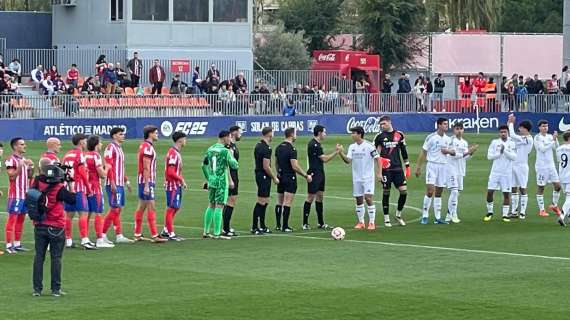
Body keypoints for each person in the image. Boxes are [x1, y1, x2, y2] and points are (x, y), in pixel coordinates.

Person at [32, 160, 77, 297]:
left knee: (39, 257)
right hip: (56, 226)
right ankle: (55, 289)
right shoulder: (59, 188)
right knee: (56, 258)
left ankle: (37, 289)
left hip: (39, 224)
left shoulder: (37, 183)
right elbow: (73, 200)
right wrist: (70, 183)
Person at [339, 126, 384, 230]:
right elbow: (348, 161)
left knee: (368, 198)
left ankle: (372, 222)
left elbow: (378, 159)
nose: (352, 135)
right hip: (356, 178)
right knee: (359, 199)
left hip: (368, 177)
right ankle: (361, 222)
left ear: (359, 134)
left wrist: (379, 173)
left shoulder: (369, 146)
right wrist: (340, 152)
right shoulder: (352, 147)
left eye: (354, 133)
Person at [415, 118, 455, 225]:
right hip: (432, 166)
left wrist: (449, 151)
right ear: (439, 125)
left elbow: (453, 152)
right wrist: (418, 167)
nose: (447, 126)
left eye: (447, 124)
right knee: (430, 191)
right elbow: (423, 152)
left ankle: (437, 217)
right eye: (444, 124)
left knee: (439, 192)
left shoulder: (448, 139)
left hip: (443, 166)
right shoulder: (431, 137)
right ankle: (425, 215)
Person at [374, 116, 411, 227]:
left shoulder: (399, 135)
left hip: (398, 169)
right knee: (386, 192)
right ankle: (386, 218)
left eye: (384, 124)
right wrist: (380, 163)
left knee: (403, 191)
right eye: (380, 125)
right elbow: (373, 152)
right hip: (386, 170)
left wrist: (407, 166)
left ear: (389, 122)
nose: (382, 126)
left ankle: (398, 215)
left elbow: (403, 151)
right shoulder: (379, 137)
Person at [201, 130, 239, 239]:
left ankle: (206, 231)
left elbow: (203, 165)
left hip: (212, 181)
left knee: (211, 204)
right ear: (225, 137)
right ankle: (217, 233)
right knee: (220, 206)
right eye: (229, 137)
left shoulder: (210, 149)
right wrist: (232, 155)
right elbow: (235, 165)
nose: (230, 140)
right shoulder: (225, 151)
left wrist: (209, 178)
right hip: (221, 182)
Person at [274, 128, 312, 232]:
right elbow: (294, 166)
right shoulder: (292, 149)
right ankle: (285, 226)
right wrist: (305, 175)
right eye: (295, 134)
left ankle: (278, 225)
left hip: (280, 176)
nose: (296, 136)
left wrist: (278, 173)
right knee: (287, 202)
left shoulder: (278, 147)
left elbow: (276, 163)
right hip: (290, 177)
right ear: (291, 135)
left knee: (279, 201)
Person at [134, 125, 166, 242]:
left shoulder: (143, 146)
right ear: (150, 134)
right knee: (151, 207)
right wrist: (147, 184)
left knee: (141, 207)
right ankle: (154, 235)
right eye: (156, 133)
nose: (157, 135)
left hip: (143, 180)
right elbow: (146, 167)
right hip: (147, 181)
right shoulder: (148, 148)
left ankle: (137, 233)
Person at [302, 125, 339, 230]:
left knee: (320, 197)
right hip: (314, 173)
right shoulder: (314, 145)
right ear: (319, 133)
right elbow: (324, 159)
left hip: (320, 173)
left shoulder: (317, 144)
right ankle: (305, 223)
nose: (325, 134)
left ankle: (321, 223)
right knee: (310, 197)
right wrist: (336, 152)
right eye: (324, 132)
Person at [63, 134, 95, 250]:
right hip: (78, 188)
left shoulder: (67, 154)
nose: (86, 143)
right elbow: (81, 172)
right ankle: (85, 240)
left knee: (69, 215)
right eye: (85, 141)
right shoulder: (79, 154)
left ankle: (68, 240)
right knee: (83, 213)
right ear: (81, 142)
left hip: (67, 188)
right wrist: (88, 188)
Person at [102, 127, 133, 244]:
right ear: (114, 136)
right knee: (115, 209)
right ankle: (102, 233)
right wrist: (113, 183)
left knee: (118, 209)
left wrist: (126, 181)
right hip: (113, 183)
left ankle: (119, 235)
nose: (123, 136)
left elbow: (120, 167)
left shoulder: (119, 148)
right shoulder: (111, 148)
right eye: (120, 134)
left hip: (120, 183)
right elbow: (108, 166)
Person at [4, 137, 34, 253]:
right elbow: (12, 177)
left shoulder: (24, 159)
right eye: (22, 144)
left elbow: (29, 177)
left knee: (21, 219)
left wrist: (31, 168)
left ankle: (17, 243)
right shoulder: (10, 160)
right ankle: (8, 245)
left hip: (24, 195)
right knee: (12, 219)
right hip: (15, 195)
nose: (24, 146)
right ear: (15, 146)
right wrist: (21, 166)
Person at [445, 122, 478, 223]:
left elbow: (465, 158)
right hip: (451, 169)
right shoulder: (450, 141)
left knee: (457, 193)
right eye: (457, 129)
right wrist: (467, 152)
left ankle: (448, 214)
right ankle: (453, 214)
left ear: (463, 130)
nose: (459, 131)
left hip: (460, 170)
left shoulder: (464, 142)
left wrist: (471, 153)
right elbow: (454, 155)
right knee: (454, 191)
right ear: (453, 130)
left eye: (460, 129)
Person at [483, 125, 517, 222]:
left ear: (507, 132)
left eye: (505, 132)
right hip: (495, 172)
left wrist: (504, 151)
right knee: (490, 192)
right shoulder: (494, 142)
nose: (503, 134)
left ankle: (505, 215)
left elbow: (514, 157)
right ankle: (490, 212)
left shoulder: (512, 143)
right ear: (499, 133)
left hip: (507, 173)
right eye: (501, 132)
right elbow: (489, 157)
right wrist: (499, 154)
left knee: (506, 194)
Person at [85, 136, 112, 248]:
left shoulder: (85, 155)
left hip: (86, 187)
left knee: (87, 213)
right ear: (96, 144)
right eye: (100, 143)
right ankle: (100, 239)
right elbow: (102, 175)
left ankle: (85, 238)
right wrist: (108, 168)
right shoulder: (96, 156)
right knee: (98, 213)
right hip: (95, 187)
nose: (101, 145)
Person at [251, 127, 279, 235]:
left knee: (265, 201)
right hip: (263, 175)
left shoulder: (258, 145)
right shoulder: (266, 148)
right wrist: (274, 178)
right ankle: (255, 226)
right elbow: (266, 166)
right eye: (273, 133)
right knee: (261, 201)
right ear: (269, 134)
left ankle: (262, 225)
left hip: (260, 174)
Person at [160, 132, 188, 241]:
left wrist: (181, 180)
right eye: (185, 139)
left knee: (176, 207)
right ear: (180, 140)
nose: (186, 141)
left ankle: (166, 230)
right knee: (171, 208)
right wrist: (181, 179)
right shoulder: (173, 154)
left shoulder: (176, 153)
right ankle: (171, 233)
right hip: (172, 185)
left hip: (176, 184)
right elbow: (170, 172)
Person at [534, 120, 562, 217]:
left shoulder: (550, 136)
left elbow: (556, 148)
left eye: (546, 126)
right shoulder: (537, 137)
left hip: (551, 166)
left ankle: (554, 205)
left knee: (558, 186)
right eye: (543, 126)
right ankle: (541, 210)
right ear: (539, 127)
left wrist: (555, 139)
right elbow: (542, 149)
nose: (545, 128)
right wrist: (553, 141)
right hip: (541, 166)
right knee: (541, 187)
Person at [507, 114, 533, 219]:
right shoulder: (521, 138)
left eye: (520, 128)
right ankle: (514, 211)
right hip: (514, 165)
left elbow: (513, 135)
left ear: (524, 128)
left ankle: (522, 212)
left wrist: (511, 123)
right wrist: (509, 124)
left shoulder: (529, 139)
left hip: (522, 166)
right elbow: (510, 138)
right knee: (513, 188)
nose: (519, 129)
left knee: (523, 188)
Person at [223, 126, 241, 237]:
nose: (241, 134)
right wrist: (230, 180)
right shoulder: (229, 147)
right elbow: (227, 165)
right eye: (240, 132)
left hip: (234, 175)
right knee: (230, 201)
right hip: (231, 176)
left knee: (230, 202)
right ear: (234, 133)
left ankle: (226, 227)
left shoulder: (233, 146)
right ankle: (225, 228)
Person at [556, 131, 570, 226]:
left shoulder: (559, 149)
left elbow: (559, 161)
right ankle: (562, 216)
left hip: (562, 175)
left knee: (568, 196)